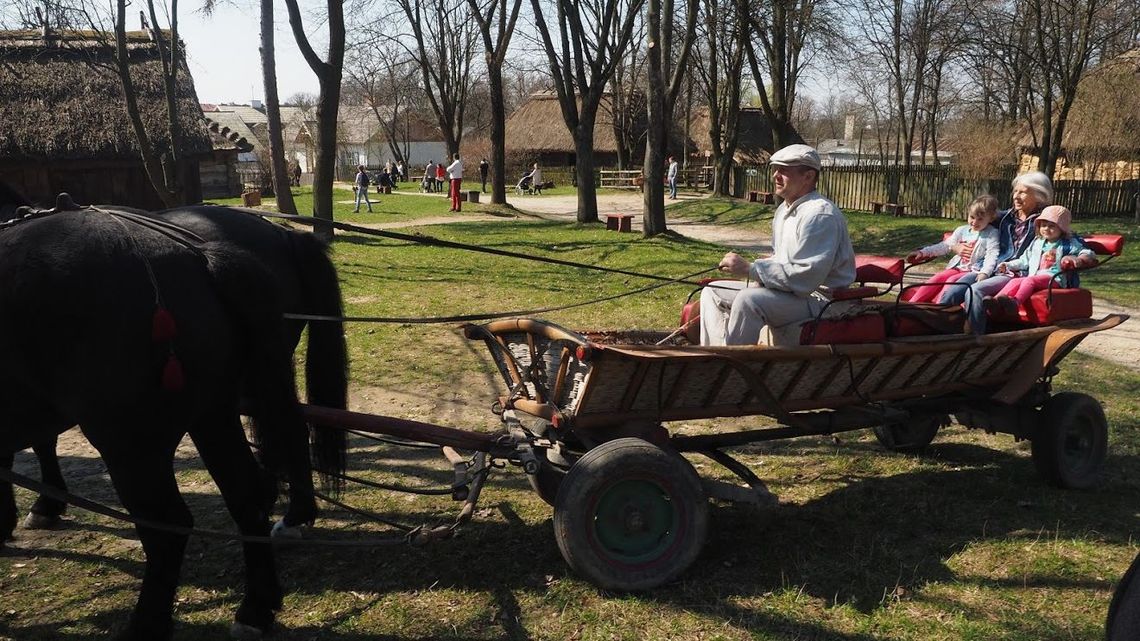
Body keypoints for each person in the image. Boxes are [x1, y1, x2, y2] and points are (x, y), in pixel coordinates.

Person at [698, 144, 856, 346]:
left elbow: (805, 278)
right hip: (791, 293)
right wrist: (761, 276)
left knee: (749, 301)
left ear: (808, 176)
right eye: (775, 169)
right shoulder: (784, 209)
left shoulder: (820, 215)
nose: (775, 175)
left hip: (821, 301)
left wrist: (751, 270)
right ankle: (716, 353)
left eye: (784, 170)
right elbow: (781, 259)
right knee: (712, 290)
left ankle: (732, 362)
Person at [949, 171, 1054, 334]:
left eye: (1023, 192)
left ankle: (976, 338)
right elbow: (974, 225)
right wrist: (955, 246)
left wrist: (1081, 257)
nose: (1016, 196)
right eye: (1015, 191)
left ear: (1039, 195)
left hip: (1015, 272)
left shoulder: (1046, 221)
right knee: (954, 289)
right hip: (989, 267)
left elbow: (1069, 237)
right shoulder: (1005, 217)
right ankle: (936, 328)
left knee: (975, 290)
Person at [983, 205, 1095, 319]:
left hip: (1056, 279)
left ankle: (1016, 303)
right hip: (1036, 276)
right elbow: (1024, 260)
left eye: (1052, 226)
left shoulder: (1068, 243)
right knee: (1015, 281)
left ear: (1062, 228)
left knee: (1029, 280)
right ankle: (995, 302)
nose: (1046, 229)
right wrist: (1008, 265)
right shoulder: (1037, 242)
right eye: (1043, 225)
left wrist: (1079, 259)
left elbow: (1087, 252)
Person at [903, 195, 1000, 303]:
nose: (974, 222)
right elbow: (945, 245)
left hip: (973, 270)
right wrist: (923, 252)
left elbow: (992, 254)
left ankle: (941, 307)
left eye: (980, 219)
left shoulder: (991, 233)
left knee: (951, 281)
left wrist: (985, 272)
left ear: (991, 218)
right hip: (958, 267)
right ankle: (912, 304)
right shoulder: (962, 230)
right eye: (972, 217)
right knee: (938, 277)